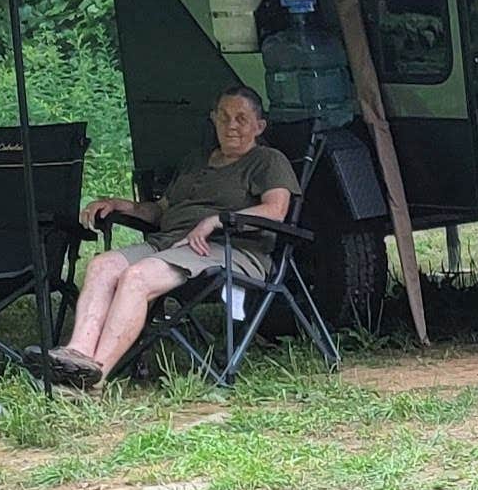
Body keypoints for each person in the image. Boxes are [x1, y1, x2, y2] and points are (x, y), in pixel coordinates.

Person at [46, 87, 295, 382]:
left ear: (259, 126)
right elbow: (160, 210)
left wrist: (216, 221)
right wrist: (117, 204)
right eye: (224, 117)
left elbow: (276, 211)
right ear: (213, 119)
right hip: (168, 244)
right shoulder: (195, 160)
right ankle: (77, 356)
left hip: (228, 249)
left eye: (241, 118)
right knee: (103, 265)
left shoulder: (267, 160)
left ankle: (95, 376)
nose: (231, 126)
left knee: (136, 277)